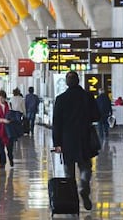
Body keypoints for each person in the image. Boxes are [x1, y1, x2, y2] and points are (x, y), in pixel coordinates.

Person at [52, 71, 101, 211]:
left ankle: (72, 201)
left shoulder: (61, 99)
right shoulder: (88, 96)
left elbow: (57, 123)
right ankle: (84, 186)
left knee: (69, 173)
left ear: (67, 83)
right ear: (79, 81)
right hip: (85, 139)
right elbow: (96, 116)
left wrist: (57, 144)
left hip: (67, 141)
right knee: (86, 167)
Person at [0, 90, 14, 169]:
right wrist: (3, 120)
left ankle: (10, 158)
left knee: (9, 146)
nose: (0, 100)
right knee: (0, 147)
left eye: (2, 98)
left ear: (5, 98)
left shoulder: (9, 105)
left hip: (9, 129)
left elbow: (13, 114)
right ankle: (2, 162)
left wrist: (10, 120)